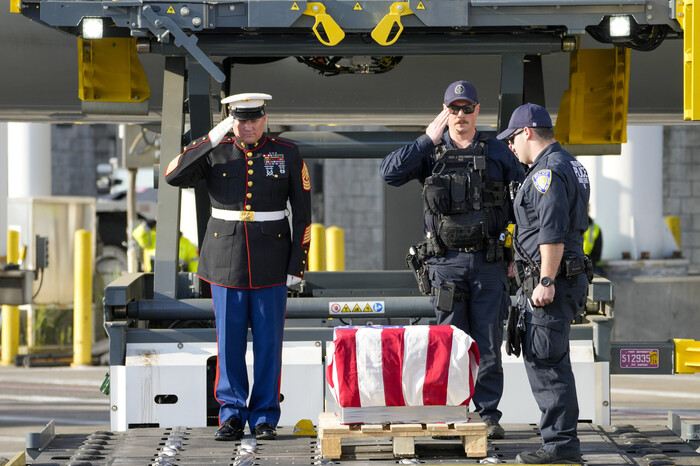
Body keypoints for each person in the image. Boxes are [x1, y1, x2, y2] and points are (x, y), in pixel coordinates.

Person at [379, 81, 525, 439]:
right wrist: (426, 139)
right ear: (444, 110)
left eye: (466, 108)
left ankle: (488, 414)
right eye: (453, 108)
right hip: (446, 265)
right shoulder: (430, 153)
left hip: (490, 263)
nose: (460, 116)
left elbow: (524, 203)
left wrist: (517, 255)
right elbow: (389, 173)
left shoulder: (497, 152)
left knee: (488, 342)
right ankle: (453, 410)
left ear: (478, 110)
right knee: (449, 341)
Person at [164, 93, 312, 441]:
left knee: (268, 343)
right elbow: (173, 175)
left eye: (253, 119)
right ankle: (230, 414)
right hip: (224, 259)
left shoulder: (286, 152)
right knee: (228, 343)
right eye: (240, 120)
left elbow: (303, 214)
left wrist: (297, 263)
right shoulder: (216, 150)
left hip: (271, 259)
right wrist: (212, 136)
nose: (247, 126)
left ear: (265, 117)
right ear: (231, 120)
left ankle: (263, 416)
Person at [497, 103, 591, 464]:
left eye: (512, 139)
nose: (511, 148)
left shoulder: (545, 173)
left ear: (527, 132)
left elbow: (551, 233)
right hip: (566, 276)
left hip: (552, 281)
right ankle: (559, 440)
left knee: (547, 363)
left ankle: (559, 447)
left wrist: (546, 279)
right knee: (552, 360)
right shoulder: (572, 164)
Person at [131, 218, 199, 273]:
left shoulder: (187, 243)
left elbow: (194, 265)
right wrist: (151, 223)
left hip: (177, 280)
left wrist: (196, 279)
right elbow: (138, 235)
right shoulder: (154, 237)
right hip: (153, 279)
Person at [584, 206, 604, 274]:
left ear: (588, 209)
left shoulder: (596, 228)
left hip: (588, 263)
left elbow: (597, 254)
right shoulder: (567, 225)